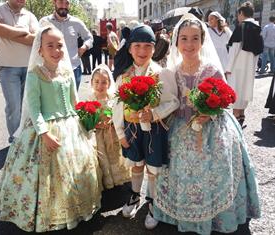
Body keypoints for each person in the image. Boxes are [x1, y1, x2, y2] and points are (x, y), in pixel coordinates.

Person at [153, 13, 261, 235]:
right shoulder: (172, 72)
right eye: (184, 38)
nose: (189, 44)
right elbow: (170, 102)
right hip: (181, 126)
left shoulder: (212, 69)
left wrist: (209, 114)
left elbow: (223, 102)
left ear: (202, 41)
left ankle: (214, 215)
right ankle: (182, 213)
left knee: (214, 169)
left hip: (212, 127)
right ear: (176, 41)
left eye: (195, 38)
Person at [0, 26, 102, 232]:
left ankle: (74, 207)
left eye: (59, 46)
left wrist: (87, 119)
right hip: (45, 129)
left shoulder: (67, 72)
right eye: (50, 46)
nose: (56, 50)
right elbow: (35, 110)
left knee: (76, 168)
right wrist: (44, 133)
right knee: (47, 175)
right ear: (40, 51)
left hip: (71, 127)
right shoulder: (35, 75)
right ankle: (46, 212)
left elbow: (74, 102)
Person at [112, 25, 179, 230]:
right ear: (130, 49)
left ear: (154, 48)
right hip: (132, 129)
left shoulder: (161, 73)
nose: (142, 51)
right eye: (137, 46)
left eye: (147, 46)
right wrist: (120, 132)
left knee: (153, 168)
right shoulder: (124, 77)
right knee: (136, 164)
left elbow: (174, 101)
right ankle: (134, 196)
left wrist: (155, 114)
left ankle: (153, 202)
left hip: (154, 130)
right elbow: (117, 106)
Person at [0, 0, 39, 143]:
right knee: (14, 107)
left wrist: (8, 32)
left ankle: (25, 138)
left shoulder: (29, 15)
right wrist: (24, 32)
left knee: (27, 106)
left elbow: (35, 39)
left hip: (29, 67)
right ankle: (15, 141)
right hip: (8, 67)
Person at [82, 64, 131, 189]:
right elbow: (86, 120)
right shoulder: (90, 99)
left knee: (114, 155)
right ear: (91, 82)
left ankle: (118, 178)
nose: (100, 86)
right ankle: (105, 180)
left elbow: (117, 114)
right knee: (102, 157)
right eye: (97, 82)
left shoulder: (112, 99)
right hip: (98, 135)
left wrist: (112, 121)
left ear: (109, 83)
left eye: (104, 82)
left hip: (111, 133)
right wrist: (95, 123)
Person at [39, 0, 93, 90]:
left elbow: (89, 38)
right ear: (54, 2)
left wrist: (84, 48)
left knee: (72, 102)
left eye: (67, 3)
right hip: (50, 70)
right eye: (61, 2)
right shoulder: (44, 22)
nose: (64, 6)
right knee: (53, 102)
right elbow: (37, 42)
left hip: (73, 69)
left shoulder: (77, 23)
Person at [226, 1, 263, 126]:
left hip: (237, 66)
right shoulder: (257, 28)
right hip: (250, 65)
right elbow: (259, 51)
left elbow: (234, 49)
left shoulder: (241, 27)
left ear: (241, 13)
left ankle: (236, 120)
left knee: (236, 90)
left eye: (238, 14)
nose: (238, 17)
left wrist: (228, 68)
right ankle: (241, 116)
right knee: (245, 90)